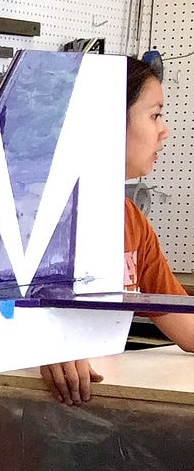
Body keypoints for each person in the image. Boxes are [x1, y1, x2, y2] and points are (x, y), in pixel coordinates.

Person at [40, 56, 194, 404]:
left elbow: (187, 327)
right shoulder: (34, 215)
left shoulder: (128, 218)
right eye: (155, 114)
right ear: (110, 121)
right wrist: (41, 342)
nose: (164, 130)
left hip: (80, 423)